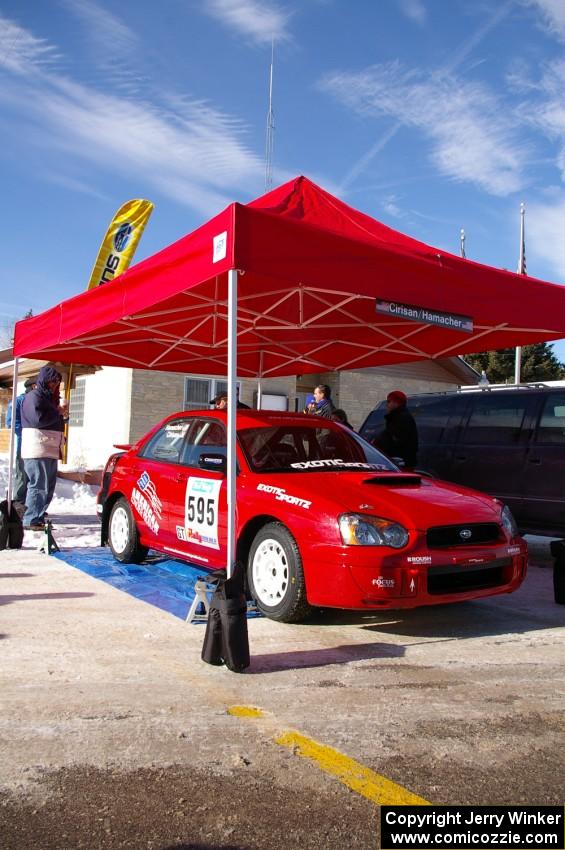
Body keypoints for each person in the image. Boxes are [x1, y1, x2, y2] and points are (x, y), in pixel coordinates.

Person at [20, 366, 68, 530]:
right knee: (38, 484)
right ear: (44, 381)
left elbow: (53, 420)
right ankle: (31, 518)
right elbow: (38, 420)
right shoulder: (34, 397)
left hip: (50, 448)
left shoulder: (51, 400)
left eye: (57, 382)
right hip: (37, 448)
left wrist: (62, 418)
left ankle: (38, 514)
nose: (55, 385)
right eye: (52, 381)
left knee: (48, 485)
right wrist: (58, 413)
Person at [6, 376, 37, 506]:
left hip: (38, 445)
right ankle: (18, 504)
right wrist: (27, 433)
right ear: (33, 387)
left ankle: (31, 505)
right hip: (23, 445)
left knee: (34, 477)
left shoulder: (39, 401)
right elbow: (11, 422)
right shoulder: (18, 401)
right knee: (22, 475)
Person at [373, 390, 418, 469]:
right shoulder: (397, 417)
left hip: (399, 465)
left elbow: (395, 440)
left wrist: (376, 446)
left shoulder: (401, 419)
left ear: (396, 403)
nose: (387, 405)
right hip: (397, 463)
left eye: (389, 401)